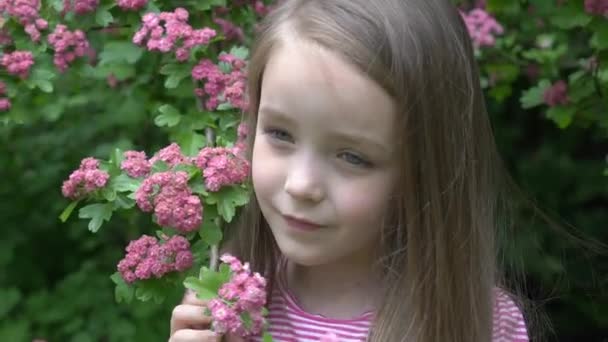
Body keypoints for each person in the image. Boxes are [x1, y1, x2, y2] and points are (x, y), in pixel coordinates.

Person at [170, 0, 532, 341]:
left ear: (423, 171)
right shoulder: (225, 302)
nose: (301, 185)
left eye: (353, 157)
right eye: (280, 134)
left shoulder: (482, 322)